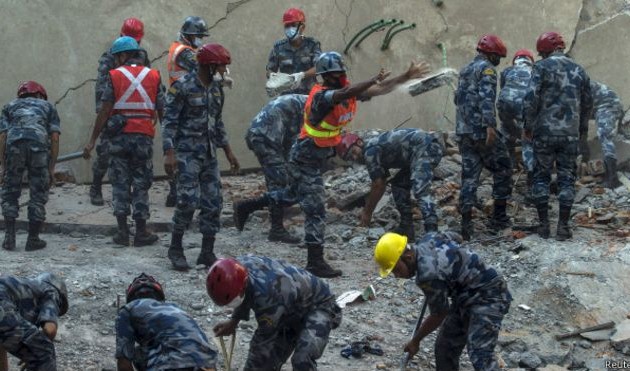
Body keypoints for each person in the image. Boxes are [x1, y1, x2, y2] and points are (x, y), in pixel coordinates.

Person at [234, 51, 430, 277]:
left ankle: (247, 206)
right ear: (325, 77)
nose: (338, 76)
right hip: (305, 156)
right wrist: (371, 79)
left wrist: (406, 75)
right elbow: (346, 92)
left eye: (339, 73)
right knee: (315, 207)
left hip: (313, 156)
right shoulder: (322, 96)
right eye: (334, 74)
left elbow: (380, 89)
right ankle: (315, 261)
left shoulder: (347, 92)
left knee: (292, 194)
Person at [373, 232, 511, 371]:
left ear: (408, 257)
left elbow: (439, 314)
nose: (397, 276)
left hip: (489, 295)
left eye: (397, 269)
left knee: (480, 353)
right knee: (445, 346)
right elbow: (457, 236)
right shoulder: (428, 238)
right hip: (464, 295)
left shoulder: (428, 275)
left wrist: (416, 341)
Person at [162, 43, 240, 271]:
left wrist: (228, 151)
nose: (224, 70)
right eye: (222, 66)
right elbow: (170, 122)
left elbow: (217, 122)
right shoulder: (182, 87)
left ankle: (207, 251)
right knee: (187, 200)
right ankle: (175, 248)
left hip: (208, 154)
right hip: (186, 153)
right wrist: (169, 153)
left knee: (213, 201)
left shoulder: (216, 90)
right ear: (210, 65)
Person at [83, 36, 165, 247]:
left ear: (122, 55)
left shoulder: (114, 75)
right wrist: (169, 144)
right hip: (144, 138)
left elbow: (105, 110)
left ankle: (121, 232)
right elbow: (163, 111)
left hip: (118, 138)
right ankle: (141, 232)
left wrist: (92, 140)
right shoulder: (154, 75)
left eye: (117, 57)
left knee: (120, 183)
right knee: (140, 184)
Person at [209, 257, 341, 371]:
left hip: (319, 305)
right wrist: (234, 321)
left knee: (302, 360)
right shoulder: (235, 267)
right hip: (290, 307)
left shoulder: (269, 296)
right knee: (267, 364)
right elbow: (246, 292)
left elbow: (262, 343)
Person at [524, 31, 592, 241]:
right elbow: (587, 104)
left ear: (544, 50)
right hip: (570, 135)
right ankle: (563, 227)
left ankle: (544, 226)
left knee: (541, 178)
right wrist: (582, 131)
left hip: (544, 133)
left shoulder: (541, 67)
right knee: (566, 180)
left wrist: (528, 125)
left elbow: (530, 97)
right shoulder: (579, 70)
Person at [455, 34, 513, 241]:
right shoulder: (487, 69)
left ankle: (466, 225)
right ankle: (498, 218)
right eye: (498, 56)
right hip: (480, 131)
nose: (499, 61)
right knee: (504, 167)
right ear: (492, 54)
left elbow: (457, 99)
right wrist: (489, 126)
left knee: (469, 176)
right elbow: (487, 98)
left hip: (463, 132)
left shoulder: (464, 70)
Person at [338, 129, 445, 240]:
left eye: (353, 152)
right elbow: (382, 182)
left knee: (420, 187)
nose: (354, 158)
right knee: (399, 185)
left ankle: (432, 233)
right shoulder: (373, 148)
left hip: (427, 147)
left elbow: (378, 185)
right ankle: (406, 227)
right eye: (350, 158)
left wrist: (367, 213)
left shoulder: (369, 151)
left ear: (359, 143)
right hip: (418, 153)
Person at [91, 17, 151, 206]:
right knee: (105, 151)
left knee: (137, 155)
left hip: (135, 110)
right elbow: (102, 87)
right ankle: (96, 186)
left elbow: (146, 78)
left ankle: (133, 190)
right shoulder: (110, 56)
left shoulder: (141, 54)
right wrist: (104, 114)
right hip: (113, 109)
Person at [0, 81, 60, 251]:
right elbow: (55, 138)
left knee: (10, 192)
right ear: (40, 95)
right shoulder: (48, 107)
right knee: (38, 192)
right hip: (39, 148)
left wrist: (3, 167)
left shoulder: (9, 106)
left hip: (14, 147)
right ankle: (33, 239)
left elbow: (2, 137)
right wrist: (51, 168)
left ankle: (9, 238)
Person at [115, 273, 217, 371]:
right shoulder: (176, 309)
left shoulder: (128, 309)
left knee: (138, 355)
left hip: (170, 365)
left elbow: (124, 365)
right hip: (207, 365)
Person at [244, 94, 307, 243]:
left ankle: (250, 208)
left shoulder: (303, 101)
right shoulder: (312, 107)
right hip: (266, 138)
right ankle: (276, 229)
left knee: (278, 180)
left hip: (262, 135)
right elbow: (296, 142)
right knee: (279, 182)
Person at [163, 16, 211, 208]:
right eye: (198, 35)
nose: (201, 39)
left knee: (180, 146)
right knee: (182, 147)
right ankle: (180, 192)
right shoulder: (183, 52)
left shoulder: (184, 48)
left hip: (184, 100)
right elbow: (202, 68)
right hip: (182, 102)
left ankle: (176, 192)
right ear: (189, 35)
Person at [0, 272, 68, 371]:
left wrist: (32, 349)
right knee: (45, 351)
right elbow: (50, 329)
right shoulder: (51, 290)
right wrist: (36, 352)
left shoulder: (22, 288)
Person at [498, 48, 535, 200]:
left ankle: (506, 178)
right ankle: (531, 186)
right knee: (528, 142)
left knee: (507, 135)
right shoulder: (535, 71)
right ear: (530, 60)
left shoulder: (507, 70)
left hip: (504, 103)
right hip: (523, 105)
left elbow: (504, 89)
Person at [266, 8, 321, 95]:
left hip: (310, 96)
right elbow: (270, 70)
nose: (290, 28)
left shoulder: (312, 44)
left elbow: (319, 67)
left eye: (293, 25)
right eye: (287, 26)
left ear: (302, 27)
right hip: (287, 97)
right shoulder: (278, 47)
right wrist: (273, 79)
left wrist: (301, 75)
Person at [590, 80, 623, 189]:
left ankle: (613, 179)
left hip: (608, 104)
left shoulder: (569, 85)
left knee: (604, 135)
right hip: (595, 106)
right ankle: (607, 176)